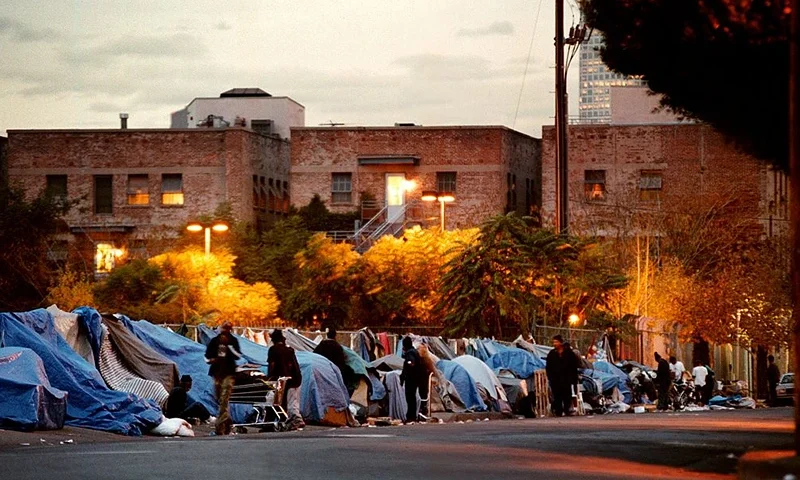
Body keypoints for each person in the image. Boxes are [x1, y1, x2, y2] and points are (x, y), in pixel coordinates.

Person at [204, 321, 242, 435]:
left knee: (224, 399)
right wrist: (212, 360)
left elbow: (238, 355)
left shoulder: (233, 341)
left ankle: (219, 427)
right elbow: (206, 357)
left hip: (228, 373)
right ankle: (228, 425)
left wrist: (229, 347)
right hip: (217, 373)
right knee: (220, 399)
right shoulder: (214, 341)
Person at [267, 329, 304, 429]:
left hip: (282, 380)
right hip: (295, 378)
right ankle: (290, 420)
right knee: (292, 401)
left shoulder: (273, 350)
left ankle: (296, 419)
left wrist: (269, 378)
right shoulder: (289, 350)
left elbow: (272, 365)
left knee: (286, 402)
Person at [313, 327, 356, 395]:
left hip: (323, 371)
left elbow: (315, 356)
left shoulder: (321, 345)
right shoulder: (338, 347)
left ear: (327, 335)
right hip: (336, 373)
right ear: (335, 336)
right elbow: (342, 361)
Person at [545, 335, 578, 417]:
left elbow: (573, 366)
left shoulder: (569, 354)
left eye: (556, 342)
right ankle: (558, 411)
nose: (554, 344)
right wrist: (550, 377)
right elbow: (548, 366)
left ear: (561, 342)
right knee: (557, 396)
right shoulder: (552, 354)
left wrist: (574, 379)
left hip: (566, 379)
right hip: (555, 379)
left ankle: (567, 410)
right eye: (554, 342)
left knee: (567, 395)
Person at [400, 336, 427, 423]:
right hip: (416, 378)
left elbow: (411, 362)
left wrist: (409, 364)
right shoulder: (414, 351)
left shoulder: (410, 353)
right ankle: (412, 416)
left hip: (411, 379)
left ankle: (411, 416)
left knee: (410, 398)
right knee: (412, 397)